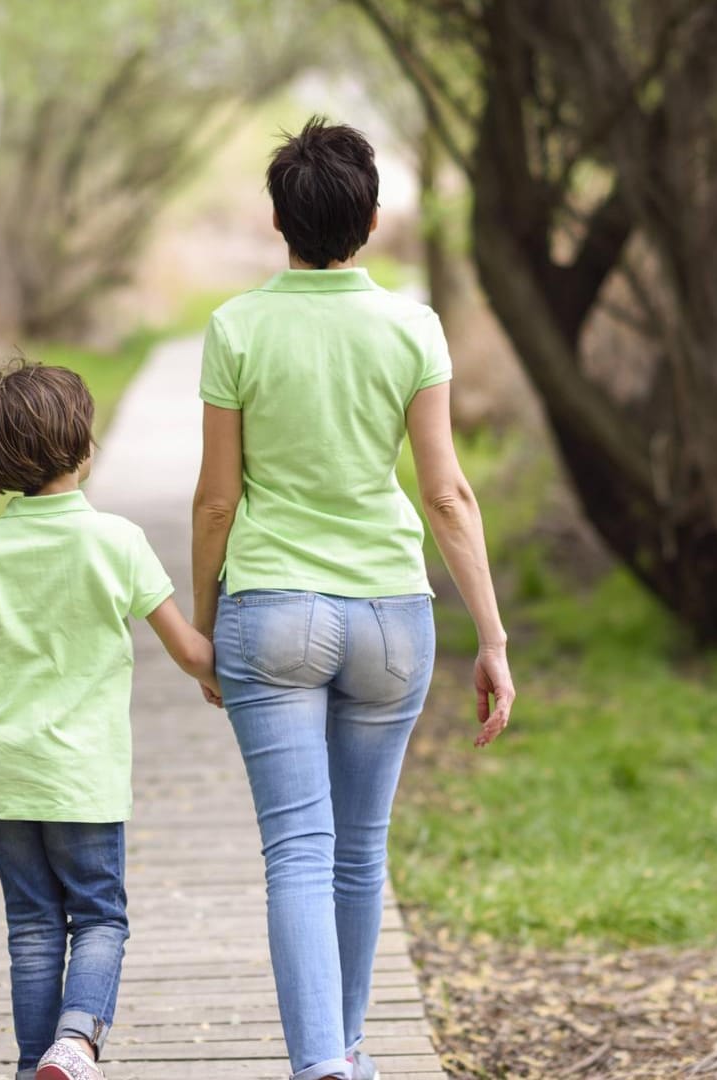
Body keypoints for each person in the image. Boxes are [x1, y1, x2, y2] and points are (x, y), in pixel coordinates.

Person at [190, 118, 516, 1080]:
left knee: (297, 851)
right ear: (370, 220)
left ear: (277, 219)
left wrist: (208, 624)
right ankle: (352, 1052)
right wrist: (491, 637)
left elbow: (217, 497)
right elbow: (446, 493)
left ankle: (321, 1068)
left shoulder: (239, 326)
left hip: (272, 610)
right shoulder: (411, 325)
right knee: (358, 853)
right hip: (390, 617)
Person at [0, 359, 217, 1080]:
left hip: (1, 770)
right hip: (82, 774)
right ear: (84, 450)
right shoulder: (117, 541)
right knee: (98, 917)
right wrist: (232, 679)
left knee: (31, 925)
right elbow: (187, 650)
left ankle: (37, 1068)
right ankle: (78, 1042)